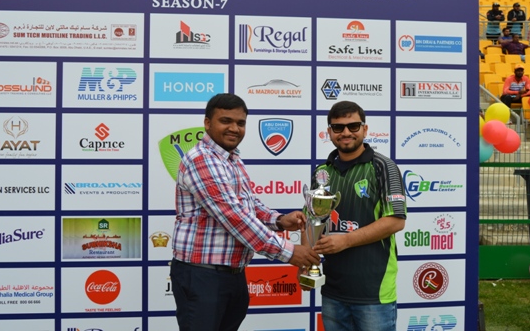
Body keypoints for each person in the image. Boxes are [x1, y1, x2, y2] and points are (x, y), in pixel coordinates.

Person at [170, 93, 320, 331]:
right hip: (203, 276)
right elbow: (235, 217)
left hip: (232, 274)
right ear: (207, 123)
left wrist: (280, 220)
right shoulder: (202, 159)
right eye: (226, 121)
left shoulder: (231, 158)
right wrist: (289, 252)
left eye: (240, 123)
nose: (234, 128)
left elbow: (248, 205)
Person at [306, 101, 406, 331]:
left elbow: (396, 221)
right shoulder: (322, 173)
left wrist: (346, 240)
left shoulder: (384, 167)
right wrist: (306, 263)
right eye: (338, 127)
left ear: (364, 129)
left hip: (373, 291)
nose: (346, 132)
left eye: (353, 126)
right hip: (332, 290)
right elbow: (312, 221)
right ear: (329, 132)